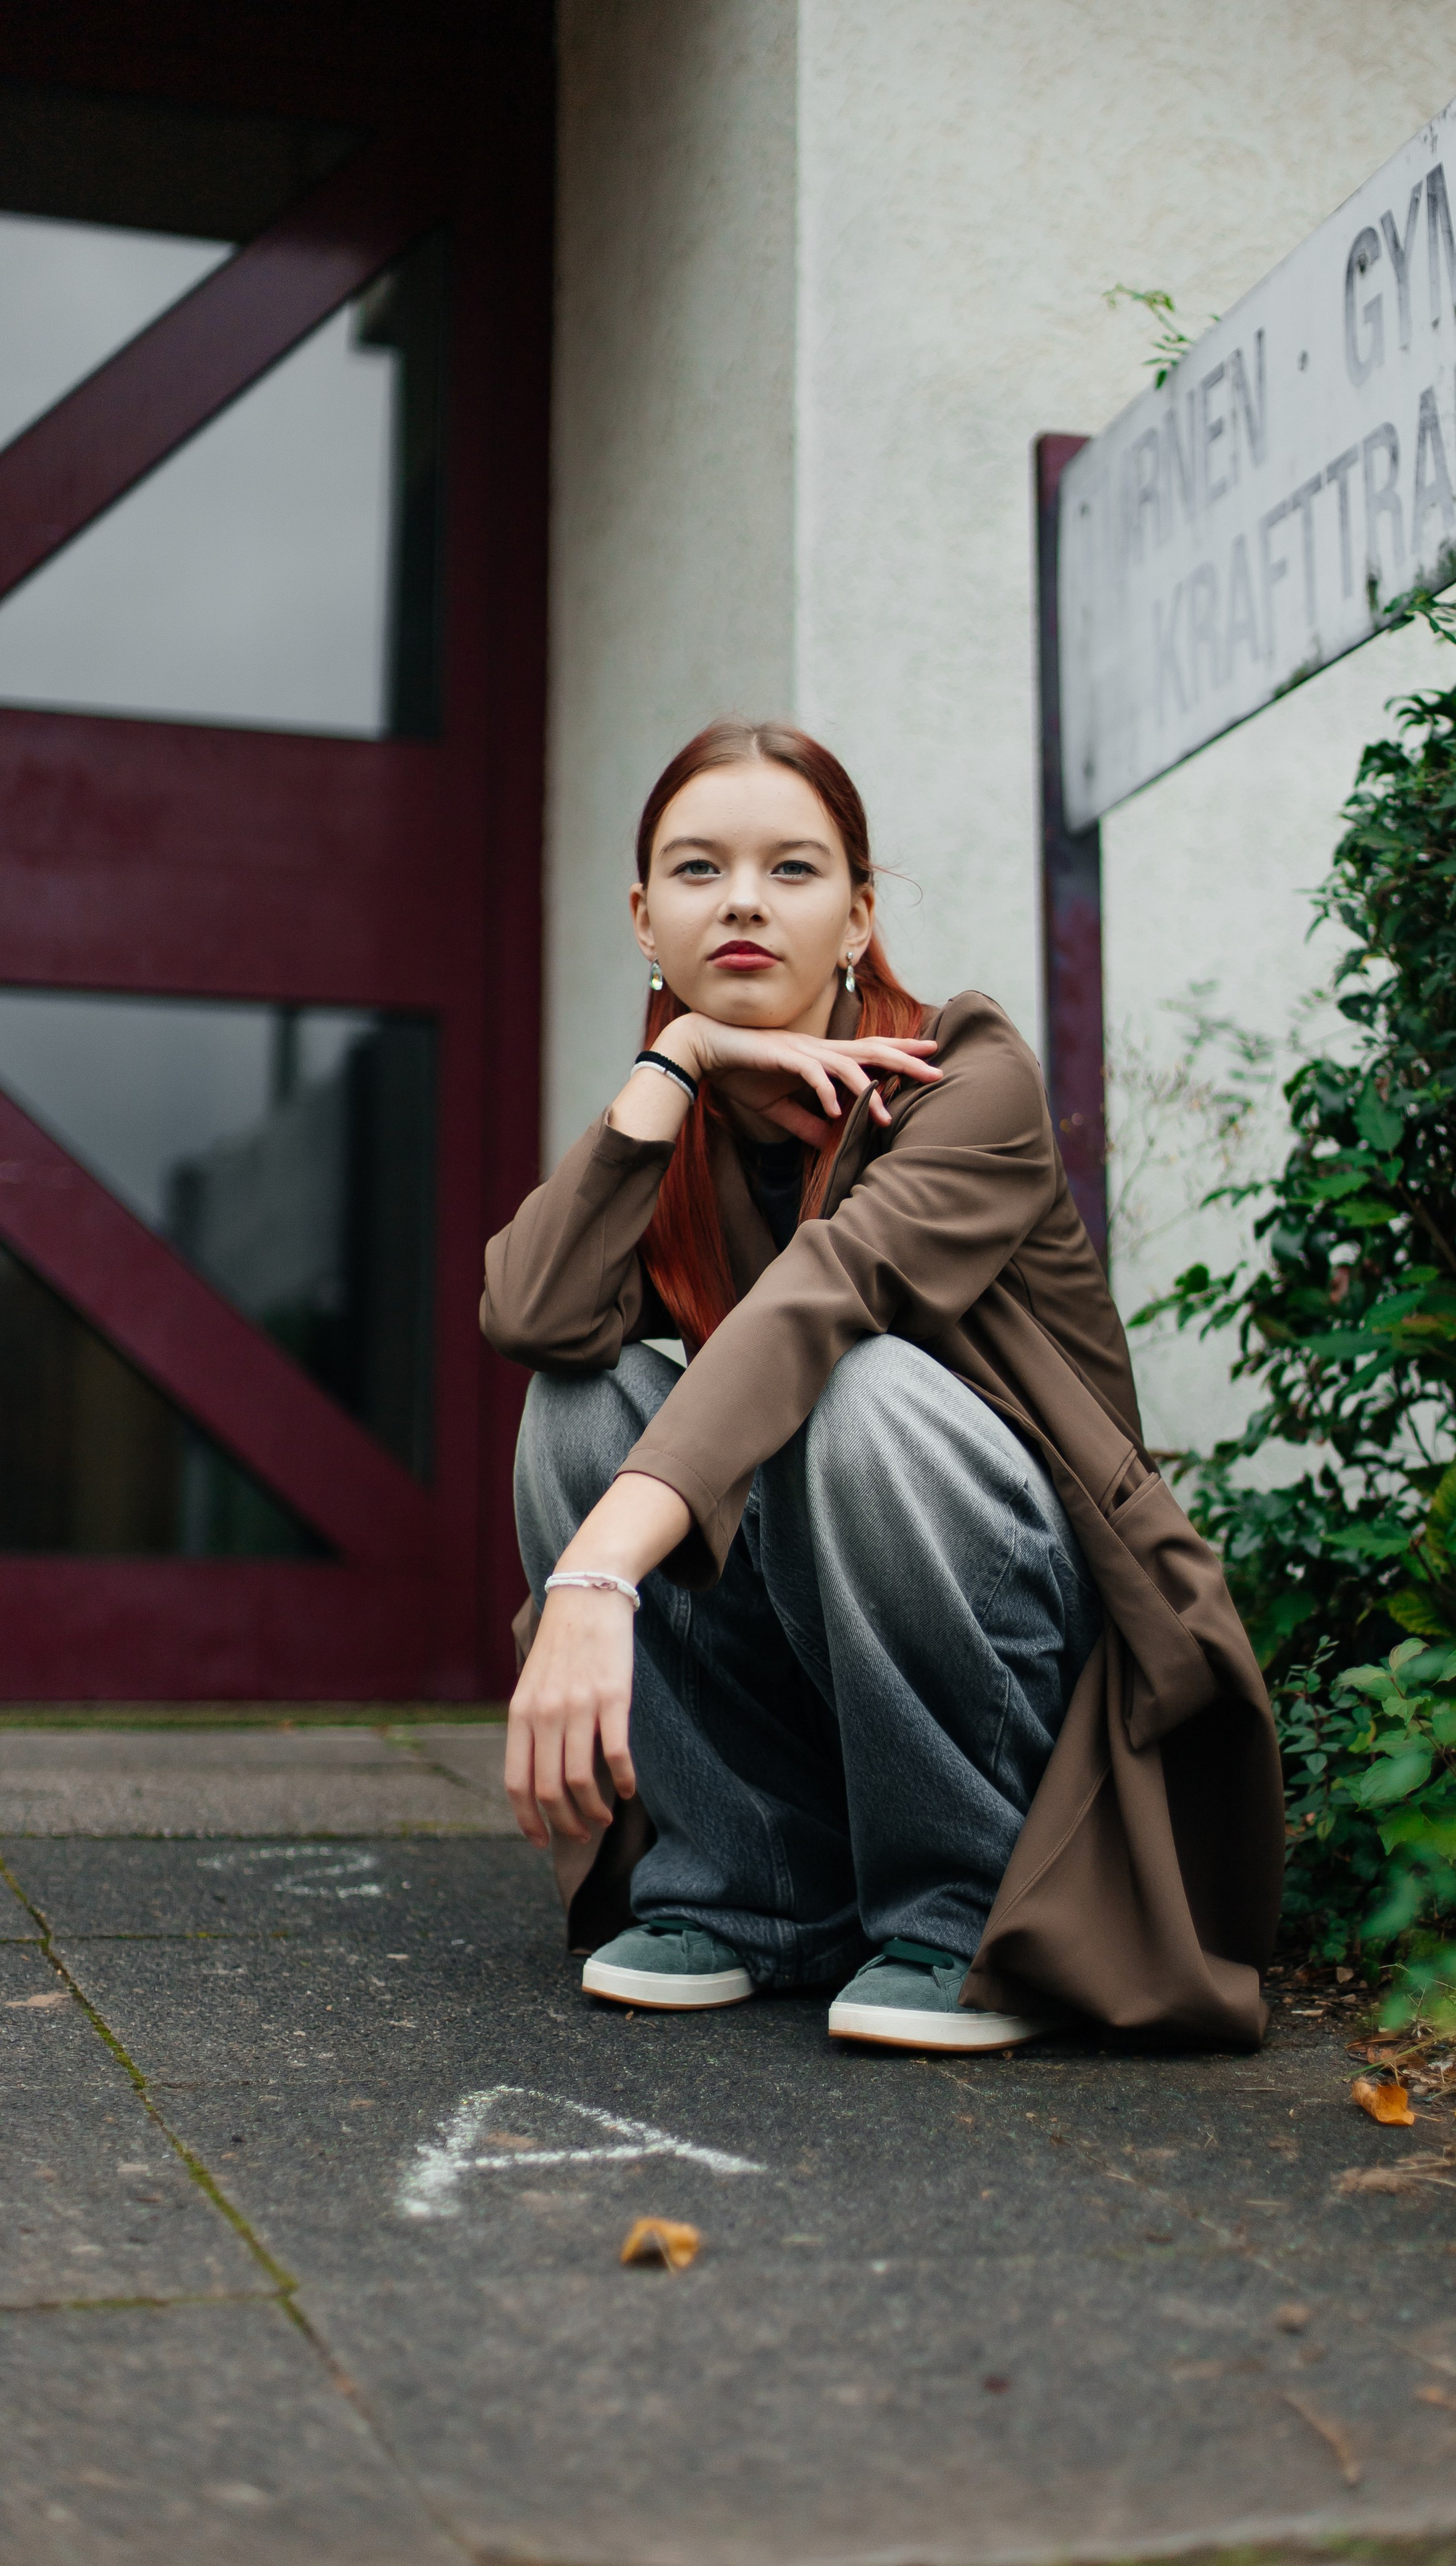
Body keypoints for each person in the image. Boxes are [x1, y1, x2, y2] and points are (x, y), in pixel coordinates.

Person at [482, 719, 1282, 2054]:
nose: (740, 899)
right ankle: (752, 1891)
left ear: (857, 915)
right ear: (642, 917)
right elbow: (535, 1314)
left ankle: (964, 1907)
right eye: (696, 870)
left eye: (790, 870)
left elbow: (824, 1298)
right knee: (583, 1394)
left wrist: (594, 1572)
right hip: (826, 1620)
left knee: (858, 1392)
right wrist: (671, 1067)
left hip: (1028, 1639)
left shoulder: (963, 1074)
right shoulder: (684, 1119)